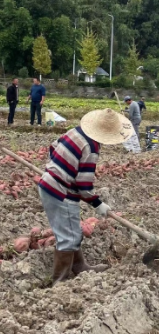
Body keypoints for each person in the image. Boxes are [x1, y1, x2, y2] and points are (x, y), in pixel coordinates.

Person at [38, 108, 134, 285]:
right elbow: (84, 185)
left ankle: (79, 266)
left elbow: (53, 146)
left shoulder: (75, 131)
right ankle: (60, 281)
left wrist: (59, 168)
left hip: (50, 184)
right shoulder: (91, 148)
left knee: (72, 231)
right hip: (60, 192)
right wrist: (98, 204)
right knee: (68, 237)